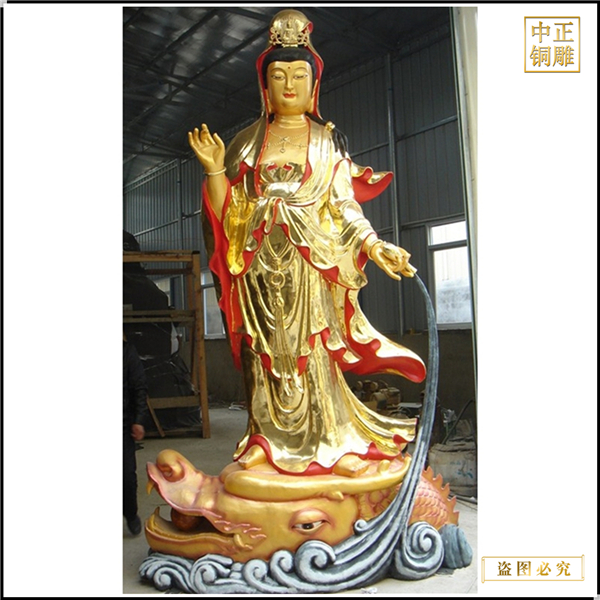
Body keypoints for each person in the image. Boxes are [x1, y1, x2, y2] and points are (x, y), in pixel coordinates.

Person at [188, 9, 426, 477]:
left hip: (308, 263)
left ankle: (330, 441)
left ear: (314, 85)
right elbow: (226, 214)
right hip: (257, 264)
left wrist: (374, 246)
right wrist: (215, 169)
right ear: (265, 86)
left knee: (312, 353)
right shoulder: (245, 143)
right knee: (262, 354)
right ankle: (263, 438)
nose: (289, 85)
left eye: (299, 75)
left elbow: (343, 206)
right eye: (278, 76)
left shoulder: (325, 143)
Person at [123, 336, 148, 535]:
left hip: (122, 425)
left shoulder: (126, 353)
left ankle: (131, 514)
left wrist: (138, 420)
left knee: (127, 476)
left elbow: (139, 387)